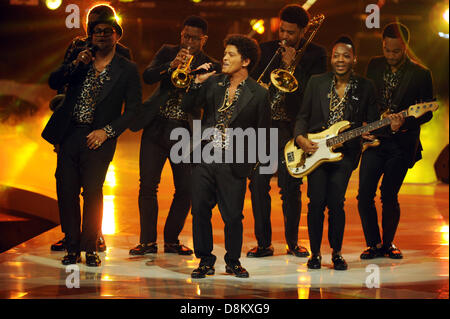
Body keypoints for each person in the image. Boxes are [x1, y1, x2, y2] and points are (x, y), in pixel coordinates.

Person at [42, 8, 141, 266]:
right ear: (90, 34)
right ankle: (72, 246)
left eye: (107, 31)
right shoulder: (80, 57)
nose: (101, 36)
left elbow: (132, 110)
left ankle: (91, 247)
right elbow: (53, 81)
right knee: (66, 189)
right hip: (70, 133)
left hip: (99, 138)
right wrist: (77, 63)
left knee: (93, 192)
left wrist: (106, 132)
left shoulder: (127, 67)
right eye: (96, 31)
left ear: (117, 35)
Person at [128, 16, 220, 256]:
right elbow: (148, 76)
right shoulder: (168, 51)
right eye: (185, 36)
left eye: (193, 38)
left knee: (185, 189)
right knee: (147, 186)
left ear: (204, 39)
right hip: (156, 126)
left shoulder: (211, 65)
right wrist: (170, 67)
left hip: (186, 133)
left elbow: (209, 103)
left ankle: (171, 239)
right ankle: (147, 242)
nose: (187, 42)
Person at [182, 34, 270, 278]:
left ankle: (232, 260)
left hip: (234, 162)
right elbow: (188, 106)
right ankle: (205, 260)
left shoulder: (259, 94)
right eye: (225, 53)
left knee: (232, 215)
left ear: (246, 61)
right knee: (199, 209)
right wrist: (198, 82)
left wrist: (250, 165)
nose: (224, 58)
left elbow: (262, 133)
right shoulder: (213, 83)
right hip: (205, 156)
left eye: (231, 54)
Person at [248, 4, 327, 258]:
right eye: (282, 30)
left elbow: (316, 95)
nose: (285, 36)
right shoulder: (267, 50)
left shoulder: (316, 54)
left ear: (303, 31)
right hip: (265, 127)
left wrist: (297, 67)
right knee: (258, 184)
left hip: (292, 130)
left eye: (291, 33)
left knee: (290, 186)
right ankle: (263, 243)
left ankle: (293, 243)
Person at [294, 36, 379, 270]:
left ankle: (336, 253)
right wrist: (300, 138)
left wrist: (369, 133)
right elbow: (302, 115)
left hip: (346, 154)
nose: (340, 60)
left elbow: (371, 121)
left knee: (336, 202)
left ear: (354, 59)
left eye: (346, 56)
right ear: (331, 58)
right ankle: (315, 254)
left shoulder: (365, 86)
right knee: (315, 203)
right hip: (315, 150)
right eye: (336, 55)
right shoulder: (316, 82)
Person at [357, 22, 434, 260]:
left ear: (405, 47)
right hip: (375, 141)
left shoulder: (421, 73)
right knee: (364, 195)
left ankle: (388, 244)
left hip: (401, 145)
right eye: (387, 50)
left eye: (396, 51)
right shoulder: (374, 65)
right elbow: (367, 98)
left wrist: (405, 123)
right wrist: (364, 124)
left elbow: (428, 111)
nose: (391, 56)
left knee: (389, 195)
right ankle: (373, 244)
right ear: (383, 45)